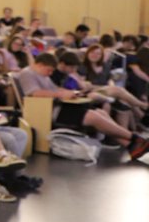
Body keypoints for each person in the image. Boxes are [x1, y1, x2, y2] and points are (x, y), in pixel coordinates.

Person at [18, 53, 149, 160]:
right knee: (93, 117)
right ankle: (135, 138)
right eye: (49, 70)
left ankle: (131, 146)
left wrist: (69, 92)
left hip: (57, 105)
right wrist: (61, 94)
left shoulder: (42, 74)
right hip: (48, 111)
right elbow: (34, 93)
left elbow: (53, 89)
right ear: (40, 65)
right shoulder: (27, 74)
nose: (50, 73)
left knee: (100, 113)